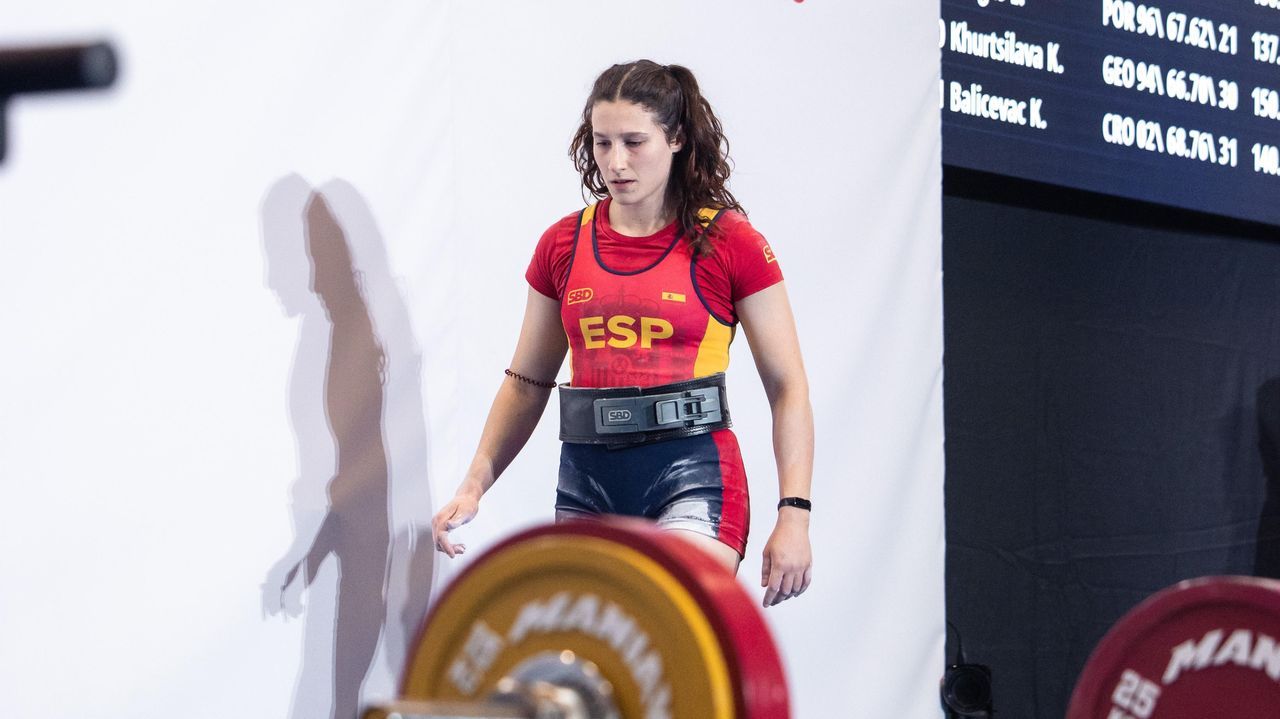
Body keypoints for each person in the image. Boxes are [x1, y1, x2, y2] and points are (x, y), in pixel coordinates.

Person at [431, 60, 813, 607]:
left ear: (677, 137)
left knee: (667, 632)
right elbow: (525, 381)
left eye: (634, 142)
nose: (616, 162)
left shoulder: (730, 241)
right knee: (599, 665)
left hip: (695, 476)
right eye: (602, 142)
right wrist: (474, 484)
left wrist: (793, 514)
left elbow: (788, 386)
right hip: (588, 481)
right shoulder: (563, 244)